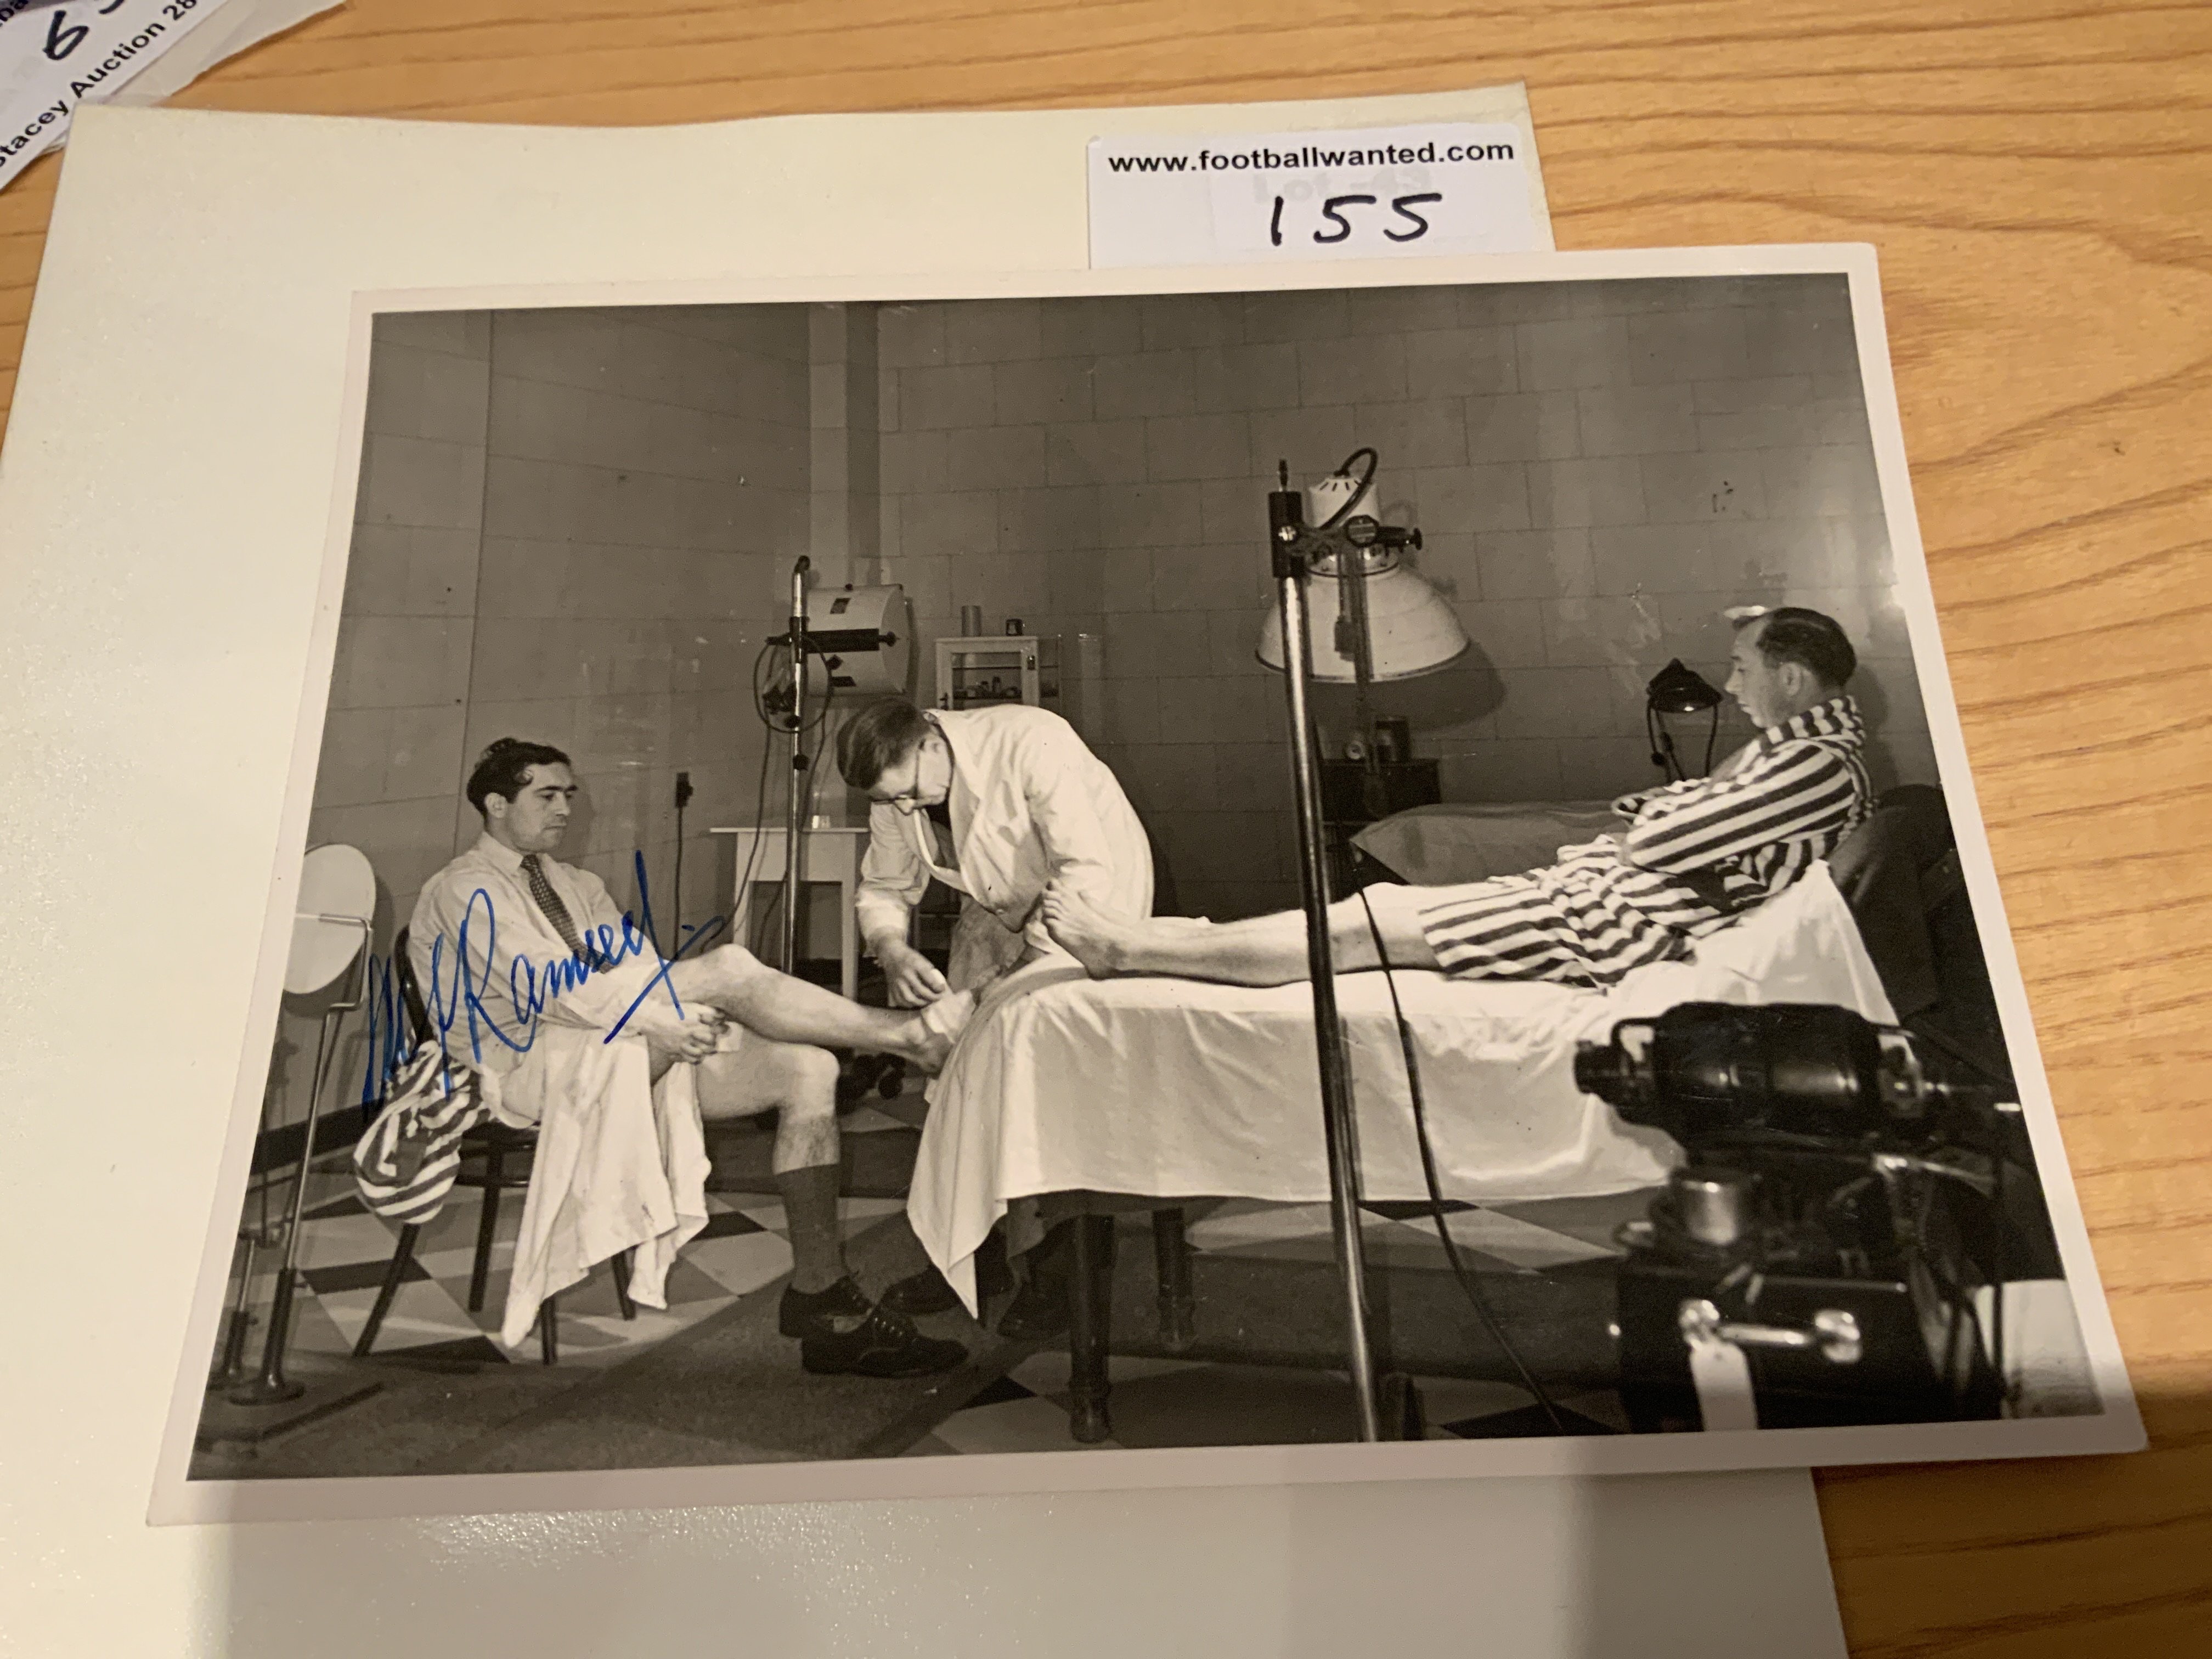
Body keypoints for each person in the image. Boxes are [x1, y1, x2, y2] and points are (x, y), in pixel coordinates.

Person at [409, 737, 974, 1378]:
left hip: (611, 1044)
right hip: (520, 1072)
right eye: (547, 796)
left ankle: (821, 1295)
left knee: (809, 1070)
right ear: (495, 804)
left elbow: (638, 969)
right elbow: (556, 991)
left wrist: (669, 1021)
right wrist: (663, 1018)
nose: (564, 808)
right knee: (730, 965)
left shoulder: (576, 884)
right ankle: (908, 1036)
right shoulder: (462, 890)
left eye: (570, 795)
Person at [1041, 607, 1872, 991]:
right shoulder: (1793, 756)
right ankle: (1155, 942)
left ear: (1791, 677)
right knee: (1369, 916)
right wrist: (1661, 820)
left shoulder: (1818, 766)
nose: (1731, 685)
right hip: (1596, 902)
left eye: (1744, 669)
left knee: (1361, 926)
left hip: (1613, 929)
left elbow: (1658, 841)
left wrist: (1657, 822)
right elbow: (1666, 824)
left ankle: (1134, 952)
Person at [836, 695, 1153, 1328]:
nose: (904, 808)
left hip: (1095, 908)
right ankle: (971, 1251)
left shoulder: (1033, 742)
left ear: (929, 741)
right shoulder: (902, 786)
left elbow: (1086, 879)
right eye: (891, 801)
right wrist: (892, 949)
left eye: (910, 794)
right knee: (958, 1074)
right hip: (1001, 904)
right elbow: (885, 885)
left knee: (1053, 1082)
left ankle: (1061, 1266)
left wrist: (994, 990)